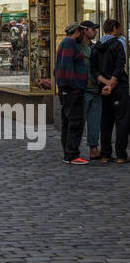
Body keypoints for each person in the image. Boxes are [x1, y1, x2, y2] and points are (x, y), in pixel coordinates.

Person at [92, 19, 128, 163]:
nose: (119, 31)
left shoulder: (96, 47)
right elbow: (120, 65)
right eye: (118, 28)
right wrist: (112, 83)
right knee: (122, 121)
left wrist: (105, 83)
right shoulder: (117, 44)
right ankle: (120, 155)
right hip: (119, 87)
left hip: (103, 87)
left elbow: (93, 69)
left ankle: (105, 153)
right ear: (114, 29)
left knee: (106, 121)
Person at [54, 24, 90, 164]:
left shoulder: (67, 43)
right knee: (75, 121)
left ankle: (69, 154)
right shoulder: (69, 43)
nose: (83, 34)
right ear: (76, 32)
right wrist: (75, 86)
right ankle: (72, 155)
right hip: (71, 90)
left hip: (68, 89)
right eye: (82, 31)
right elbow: (66, 66)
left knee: (68, 122)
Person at [78, 21, 102, 160]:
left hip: (96, 89)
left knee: (94, 121)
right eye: (93, 29)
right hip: (83, 89)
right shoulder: (77, 46)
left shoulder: (95, 47)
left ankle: (94, 148)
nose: (96, 31)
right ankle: (73, 149)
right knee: (79, 120)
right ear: (85, 31)